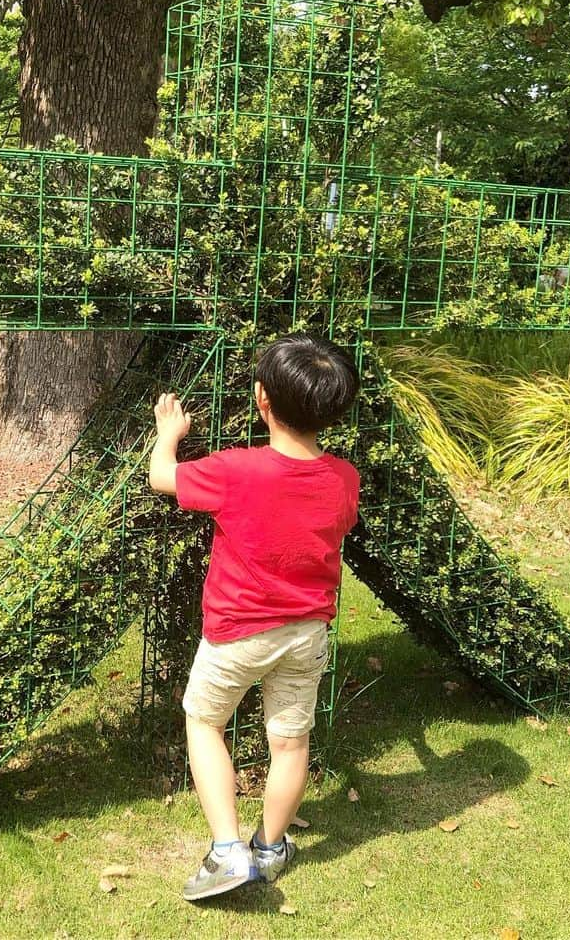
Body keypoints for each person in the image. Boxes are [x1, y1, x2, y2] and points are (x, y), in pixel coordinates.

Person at [149, 333, 361, 901]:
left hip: (236, 632)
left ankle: (226, 851)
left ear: (262, 400)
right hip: (306, 633)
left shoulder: (234, 470)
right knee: (290, 744)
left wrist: (169, 435)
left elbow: (162, 478)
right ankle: (269, 847)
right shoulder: (345, 479)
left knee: (204, 722)